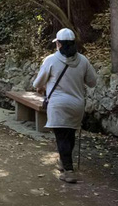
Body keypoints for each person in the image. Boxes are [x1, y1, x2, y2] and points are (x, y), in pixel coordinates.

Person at [33, 28, 97, 184]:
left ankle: (68, 171)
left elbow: (37, 83)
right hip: (77, 105)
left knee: (61, 136)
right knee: (69, 134)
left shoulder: (51, 60)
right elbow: (92, 82)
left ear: (59, 44)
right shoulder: (83, 60)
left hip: (58, 104)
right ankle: (64, 161)